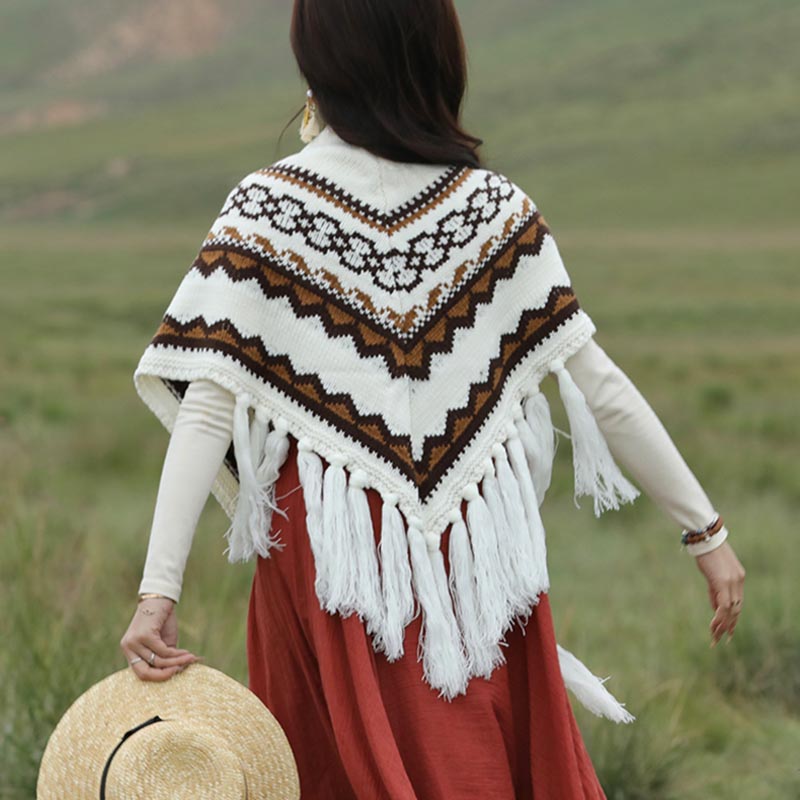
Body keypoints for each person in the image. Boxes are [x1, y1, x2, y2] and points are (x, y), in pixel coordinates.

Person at [119, 1, 746, 797]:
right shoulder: (492, 212)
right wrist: (705, 531)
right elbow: (599, 384)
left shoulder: (268, 211)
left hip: (331, 551)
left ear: (320, 63)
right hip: (472, 548)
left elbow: (212, 402)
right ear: (436, 57)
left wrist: (158, 591)